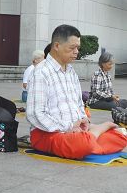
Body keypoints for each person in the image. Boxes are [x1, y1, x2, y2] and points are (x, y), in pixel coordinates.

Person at [27, 25, 127, 160]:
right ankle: (95, 134)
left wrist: (83, 121)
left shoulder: (71, 71)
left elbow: (79, 103)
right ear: (57, 46)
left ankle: (92, 135)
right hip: (47, 134)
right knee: (83, 144)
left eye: (77, 48)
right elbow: (35, 114)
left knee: (121, 136)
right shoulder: (41, 72)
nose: (76, 52)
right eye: (72, 48)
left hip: (77, 130)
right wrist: (69, 127)